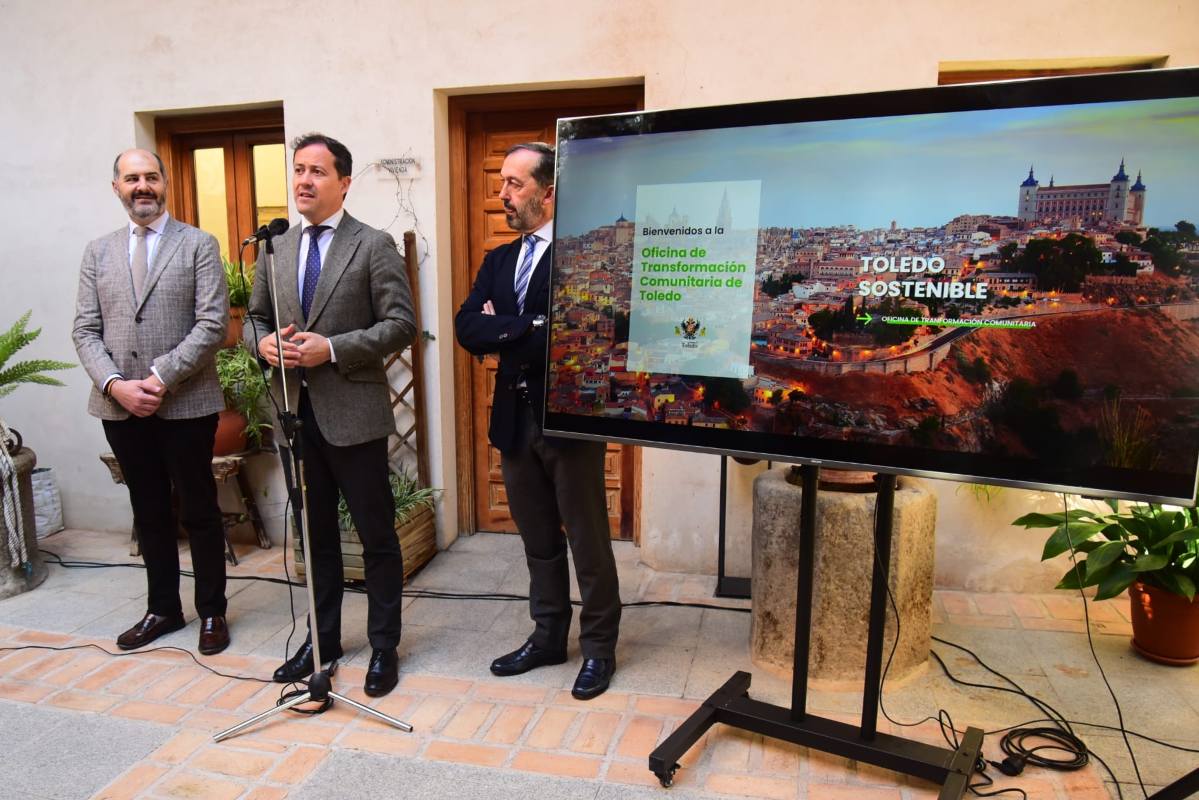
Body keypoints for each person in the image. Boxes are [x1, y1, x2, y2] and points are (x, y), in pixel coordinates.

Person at [246, 133, 415, 698]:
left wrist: (334, 348)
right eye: (298, 170)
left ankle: (385, 644)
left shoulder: (373, 245)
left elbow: (400, 324)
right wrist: (262, 345)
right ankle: (323, 639)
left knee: (375, 535)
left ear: (343, 181)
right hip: (296, 415)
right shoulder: (276, 249)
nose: (304, 180)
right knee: (314, 535)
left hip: (355, 415)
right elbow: (254, 320)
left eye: (317, 171)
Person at [455, 142, 621, 700]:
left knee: (588, 540)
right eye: (502, 183)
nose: (502, 194)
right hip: (513, 421)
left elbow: (575, 331)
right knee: (537, 539)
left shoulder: (581, 256)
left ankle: (599, 649)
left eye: (514, 184)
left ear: (548, 192)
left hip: (570, 420)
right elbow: (465, 328)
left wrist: (504, 325)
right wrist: (526, 326)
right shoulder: (498, 261)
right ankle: (549, 635)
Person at [73, 148, 231, 655]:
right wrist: (115, 383)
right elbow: (84, 329)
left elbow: (212, 324)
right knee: (149, 510)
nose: (142, 186)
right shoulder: (97, 251)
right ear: (116, 187)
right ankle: (163, 608)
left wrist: (161, 377)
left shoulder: (199, 245)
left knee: (200, 508)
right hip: (120, 406)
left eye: (151, 177)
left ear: (166, 183)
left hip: (185, 402)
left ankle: (212, 612)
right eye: (131, 178)